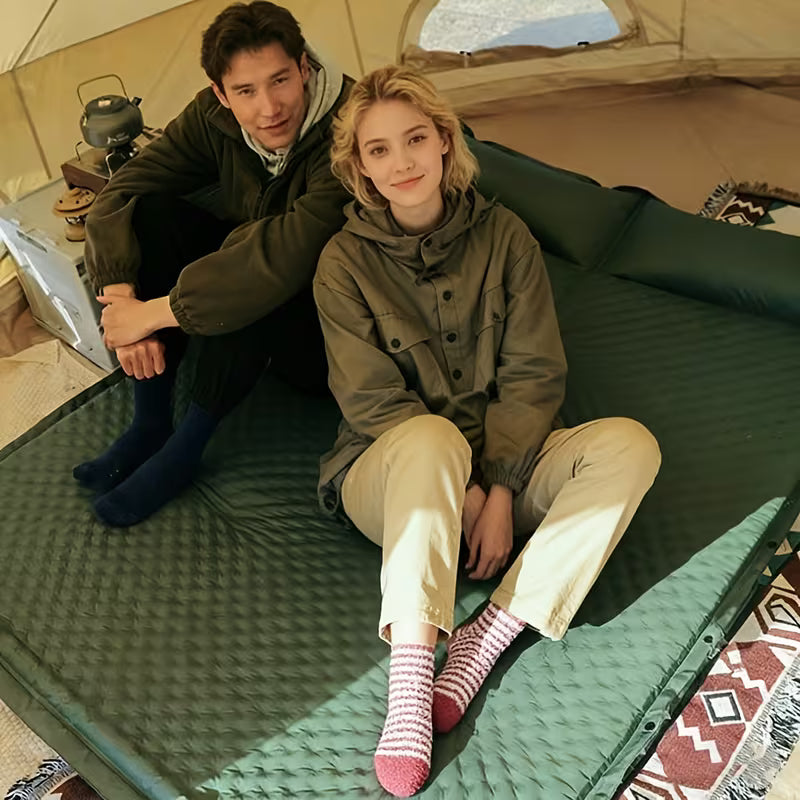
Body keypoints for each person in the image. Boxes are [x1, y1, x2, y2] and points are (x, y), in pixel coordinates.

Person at [313, 65, 662, 798]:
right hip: (392, 478)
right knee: (432, 437)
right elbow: (369, 399)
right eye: (379, 150)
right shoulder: (341, 264)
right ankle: (412, 676)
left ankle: (486, 635)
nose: (401, 162)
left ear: (445, 141)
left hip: (505, 462)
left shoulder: (506, 236)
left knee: (631, 445)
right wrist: (469, 496)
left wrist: (500, 488)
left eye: (415, 139)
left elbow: (535, 371)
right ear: (359, 166)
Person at [73, 1, 352, 527]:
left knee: (249, 257)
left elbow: (284, 254)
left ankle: (185, 448)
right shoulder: (211, 117)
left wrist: (156, 314)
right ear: (222, 95)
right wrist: (123, 298)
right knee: (151, 215)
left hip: (324, 336)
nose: (269, 107)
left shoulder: (348, 132)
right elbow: (123, 191)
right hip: (248, 287)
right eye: (245, 91)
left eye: (281, 81)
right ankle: (151, 421)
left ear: (306, 69)